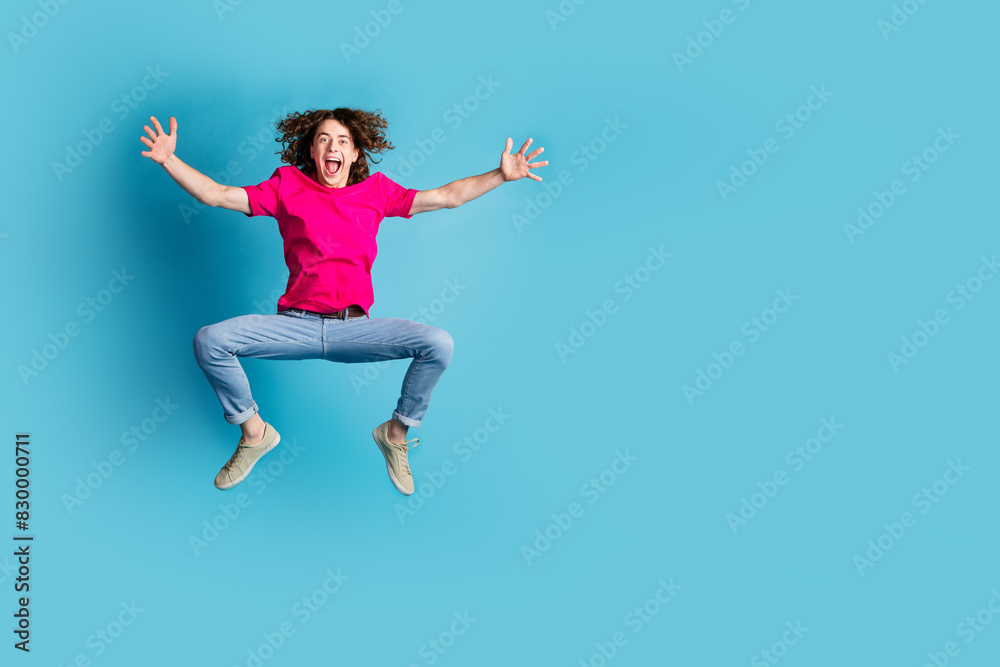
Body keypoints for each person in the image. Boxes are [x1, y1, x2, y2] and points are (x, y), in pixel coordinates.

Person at [139, 108, 547, 495]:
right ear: (312, 152)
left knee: (438, 343)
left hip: (354, 328)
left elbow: (445, 197)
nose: (332, 147)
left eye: (342, 141)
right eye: (323, 140)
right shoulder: (287, 186)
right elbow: (217, 195)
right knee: (210, 340)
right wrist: (168, 161)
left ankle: (395, 434)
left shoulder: (377, 192)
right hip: (294, 326)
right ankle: (255, 434)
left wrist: (500, 175)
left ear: (354, 153)